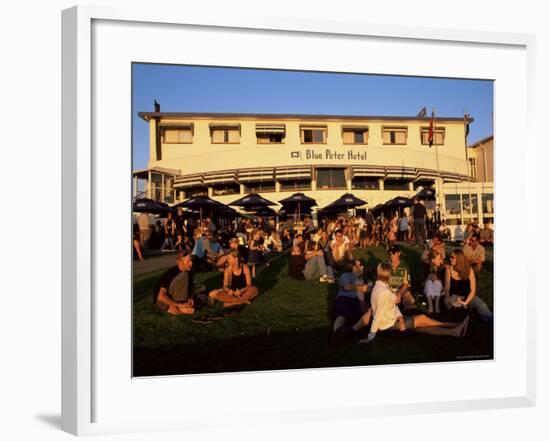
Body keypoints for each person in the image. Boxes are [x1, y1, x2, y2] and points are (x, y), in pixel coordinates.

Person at [361, 263, 468, 344]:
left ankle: (454, 331)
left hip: (391, 320)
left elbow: (392, 306)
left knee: (423, 327)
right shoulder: (383, 292)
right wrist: (370, 336)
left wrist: (401, 318)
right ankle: (454, 325)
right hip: (388, 326)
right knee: (422, 319)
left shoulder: (379, 287)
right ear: (388, 274)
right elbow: (378, 315)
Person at [444, 249, 493, 322]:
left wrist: (466, 302)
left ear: (459, 259)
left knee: (481, 305)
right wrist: (447, 298)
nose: (450, 259)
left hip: (469, 296)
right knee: (451, 305)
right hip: (454, 296)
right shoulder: (449, 270)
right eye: (450, 257)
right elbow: (447, 288)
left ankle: (490, 319)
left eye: (452, 257)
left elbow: (473, 290)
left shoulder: (469, 270)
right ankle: (464, 312)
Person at [153, 251, 206, 315]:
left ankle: (179, 307)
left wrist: (190, 297)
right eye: (188, 261)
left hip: (175, 295)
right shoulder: (171, 273)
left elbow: (190, 286)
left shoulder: (189, 271)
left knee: (202, 287)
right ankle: (177, 307)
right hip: (163, 302)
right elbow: (161, 297)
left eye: (191, 261)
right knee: (184, 276)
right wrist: (179, 305)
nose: (191, 263)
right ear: (180, 262)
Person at [331, 260, 373, 342]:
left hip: (359, 302)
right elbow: (346, 287)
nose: (361, 267)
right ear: (353, 267)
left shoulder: (365, 279)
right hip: (345, 298)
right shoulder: (346, 275)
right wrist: (362, 288)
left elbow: (370, 289)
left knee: (371, 311)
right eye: (358, 265)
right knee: (342, 314)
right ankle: (336, 333)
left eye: (361, 265)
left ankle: (351, 331)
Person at [387, 245, 416, 310]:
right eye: (390, 253)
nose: (391, 255)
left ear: (399, 253)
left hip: (400, 289)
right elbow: (382, 281)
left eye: (393, 253)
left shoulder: (404, 266)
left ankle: (407, 311)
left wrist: (399, 293)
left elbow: (406, 283)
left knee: (407, 294)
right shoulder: (386, 265)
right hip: (389, 289)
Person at [423, 249, 445, 313]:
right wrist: (428, 277)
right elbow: (422, 284)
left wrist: (437, 279)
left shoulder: (442, 268)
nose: (440, 260)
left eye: (440, 258)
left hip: (438, 291)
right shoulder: (426, 268)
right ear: (432, 260)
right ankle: (430, 306)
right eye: (438, 259)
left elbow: (444, 283)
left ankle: (437, 305)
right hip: (428, 290)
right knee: (429, 282)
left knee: (437, 282)